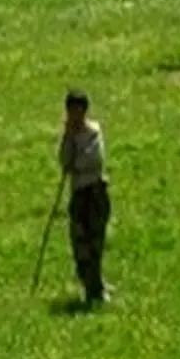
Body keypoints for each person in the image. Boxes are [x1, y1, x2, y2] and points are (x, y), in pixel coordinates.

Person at [57, 88, 111, 304]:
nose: (75, 116)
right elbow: (64, 161)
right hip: (78, 195)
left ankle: (96, 288)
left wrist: (75, 163)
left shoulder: (94, 133)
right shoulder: (69, 135)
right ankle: (89, 284)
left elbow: (93, 160)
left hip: (95, 192)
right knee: (79, 243)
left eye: (78, 111)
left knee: (95, 242)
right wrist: (68, 140)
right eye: (71, 112)